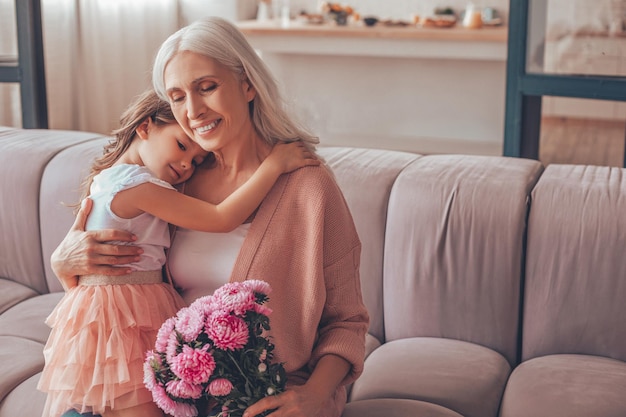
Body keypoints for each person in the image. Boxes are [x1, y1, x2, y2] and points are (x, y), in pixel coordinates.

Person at [50, 16, 369, 417]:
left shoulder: (308, 185)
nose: (194, 110)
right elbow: (107, 293)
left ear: (247, 83)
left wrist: (318, 393)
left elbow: (348, 320)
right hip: (162, 390)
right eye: (178, 96)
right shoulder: (174, 179)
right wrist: (62, 262)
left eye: (207, 87)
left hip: (265, 396)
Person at [39, 88, 318, 417]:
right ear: (145, 128)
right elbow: (219, 218)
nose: (187, 165)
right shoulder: (138, 186)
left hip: (114, 314)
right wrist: (273, 166)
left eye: (197, 161)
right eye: (181, 145)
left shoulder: (108, 180)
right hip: (126, 317)